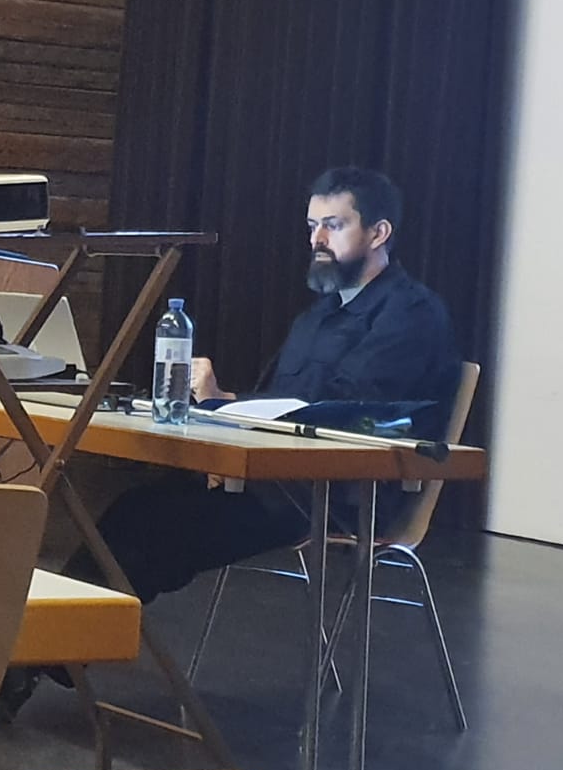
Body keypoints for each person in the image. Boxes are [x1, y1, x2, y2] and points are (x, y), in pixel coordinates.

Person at [75, 166, 462, 603]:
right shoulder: (318, 315)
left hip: (335, 498)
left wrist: (229, 410)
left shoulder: (411, 314)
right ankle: (56, 635)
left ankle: (66, 637)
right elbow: (280, 402)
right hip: (276, 484)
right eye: (312, 226)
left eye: (334, 226)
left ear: (378, 233)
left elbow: (352, 412)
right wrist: (221, 405)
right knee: (131, 512)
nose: (317, 240)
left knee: (149, 529)